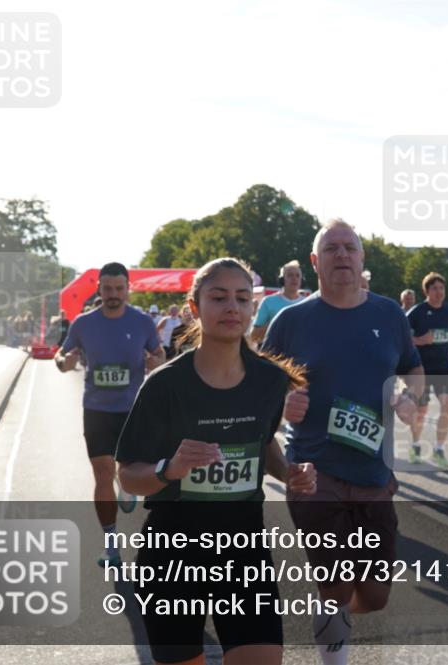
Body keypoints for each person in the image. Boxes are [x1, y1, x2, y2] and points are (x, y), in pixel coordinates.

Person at [116, 257, 316, 665]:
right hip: (172, 552)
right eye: (219, 297)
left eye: (242, 299)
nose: (232, 308)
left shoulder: (269, 379)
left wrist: (288, 472)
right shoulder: (164, 385)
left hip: (243, 549)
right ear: (194, 307)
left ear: (252, 308)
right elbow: (128, 477)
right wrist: (169, 469)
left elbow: (263, 444)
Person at [262, 218, 424, 665]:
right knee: (334, 584)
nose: (342, 255)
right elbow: (261, 388)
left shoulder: (388, 314)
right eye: (331, 248)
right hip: (315, 471)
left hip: (373, 472)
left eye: (349, 247)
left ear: (361, 258)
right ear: (315, 262)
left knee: (374, 595)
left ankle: (332, 617)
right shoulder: (290, 321)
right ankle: (333, 642)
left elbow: (413, 367)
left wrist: (410, 396)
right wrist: (283, 404)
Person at [54, 262, 166, 566]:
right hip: (97, 410)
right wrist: (65, 361)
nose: (113, 294)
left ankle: (125, 486)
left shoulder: (142, 322)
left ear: (128, 289)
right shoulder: (83, 324)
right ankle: (111, 546)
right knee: (102, 474)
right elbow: (61, 354)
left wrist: (156, 362)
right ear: (99, 290)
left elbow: (160, 354)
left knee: (129, 472)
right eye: (107, 289)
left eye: (119, 289)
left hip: (133, 410)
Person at [406, 272, 448, 468]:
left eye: (441, 288)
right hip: (421, 369)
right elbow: (402, 337)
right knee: (421, 411)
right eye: (435, 288)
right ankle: (415, 445)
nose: (439, 292)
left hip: (443, 367)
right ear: (427, 291)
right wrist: (421, 340)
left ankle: (439, 449)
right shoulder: (417, 312)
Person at [251, 260, 306, 345]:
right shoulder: (268, 302)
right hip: (274, 352)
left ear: (301, 280)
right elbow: (254, 335)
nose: (294, 278)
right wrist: (277, 324)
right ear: (282, 279)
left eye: (297, 275)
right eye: (290, 275)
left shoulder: (307, 303)